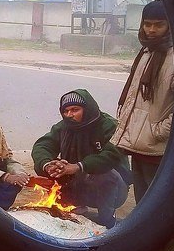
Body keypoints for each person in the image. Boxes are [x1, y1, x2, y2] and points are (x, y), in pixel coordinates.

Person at [111, 0, 174, 251]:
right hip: (140, 146)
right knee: (144, 208)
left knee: (156, 212)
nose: (151, 30)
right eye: (147, 24)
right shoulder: (147, 52)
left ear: (170, 25)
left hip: (158, 149)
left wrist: (158, 131)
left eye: (158, 24)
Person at [31, 89, 130, 229]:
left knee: (105, 174)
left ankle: (107, 221)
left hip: (114, 188)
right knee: (53, 168)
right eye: (66, 111)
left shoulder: (109, 126)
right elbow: (42, 145)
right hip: (79, 183)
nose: (69, 115)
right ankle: (72, 208)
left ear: (87, 109)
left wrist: (78, 166)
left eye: (75, 110)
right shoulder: (64, 127)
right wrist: (48, 165)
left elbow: (111, 156)